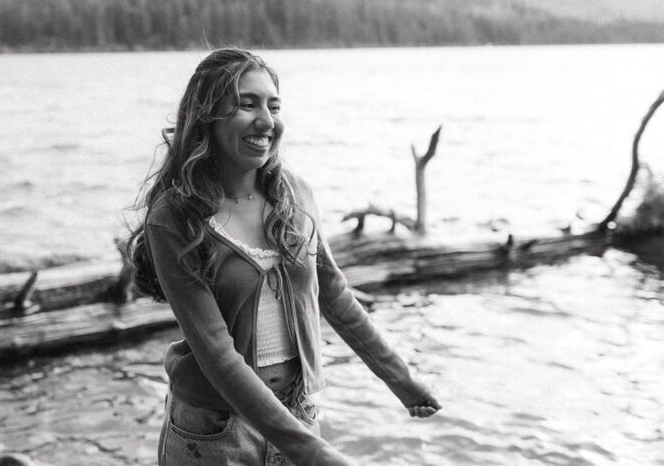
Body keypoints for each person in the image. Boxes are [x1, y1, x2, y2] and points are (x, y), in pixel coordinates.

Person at [126, 47, 440, 466]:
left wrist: (402, 380)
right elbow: (218, 355)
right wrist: (317, 455)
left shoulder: (294, 194)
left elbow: (336, 297)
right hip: (216, 433)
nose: (267, 121)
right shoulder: (175, 218)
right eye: (247, 104)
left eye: (274, 106)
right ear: (208, 116)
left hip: (299, 413)